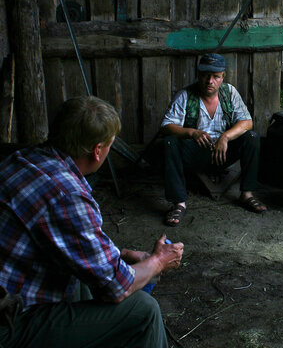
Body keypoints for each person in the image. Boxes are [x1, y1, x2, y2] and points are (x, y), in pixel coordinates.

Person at [0, 96, 184, 347]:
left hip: (12, 292)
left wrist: (124, 254)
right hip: (9, 324)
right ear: (98, 151)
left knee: (83, 284)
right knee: (143, 310)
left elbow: (64, 239)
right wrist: (159, 261)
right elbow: (118, 287)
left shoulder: (23, 159)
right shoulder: (67, 195)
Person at [160, 53, 267, 226]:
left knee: (252, 137)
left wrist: (226, 137)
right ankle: (178, 203)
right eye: (205, 75)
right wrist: (192, 133)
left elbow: (247, 122)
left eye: (216, 76)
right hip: (197, 155)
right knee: (170, 141)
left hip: (224, 153)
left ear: (222, 77)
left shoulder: (229, 93)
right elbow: (166, 126)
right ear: (198, 75)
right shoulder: (186, 95)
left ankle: (247, 194)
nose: (210, 81)